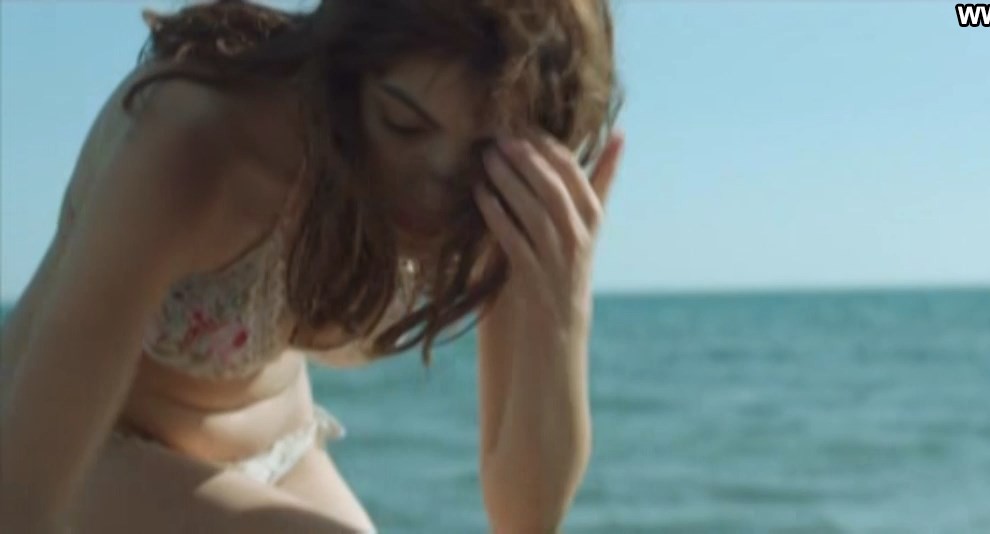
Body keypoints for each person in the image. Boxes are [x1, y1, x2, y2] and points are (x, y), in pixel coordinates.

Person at [0, 0, 624, 531]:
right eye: (403, 124)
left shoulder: (489, 193)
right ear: (344, 65)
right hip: (75, 443)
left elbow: (524, 520)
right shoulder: (199, 141)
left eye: (480, 153)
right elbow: (24, 488)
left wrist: (561, 315)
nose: (435, 186)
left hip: (284, 455)